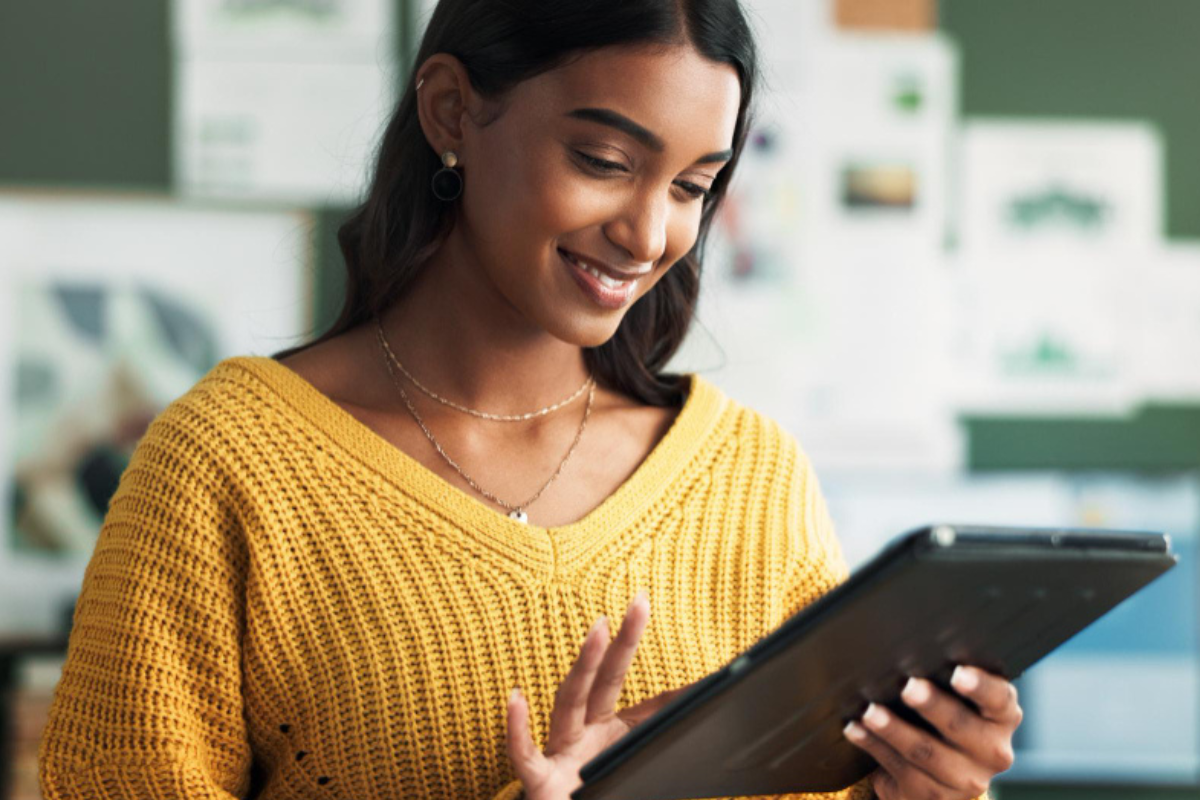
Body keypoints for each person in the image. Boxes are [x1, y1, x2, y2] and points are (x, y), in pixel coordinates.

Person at [37, 1, 1023, 798]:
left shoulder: (754, 478)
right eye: (604, 162)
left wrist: (919, 791)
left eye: (691, 186)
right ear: (452, 111)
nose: (648, 233)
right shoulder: (229, 461)